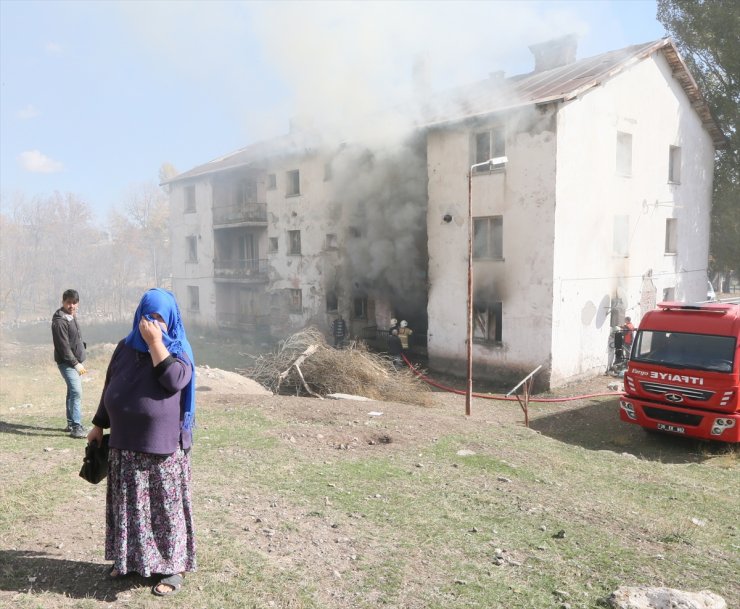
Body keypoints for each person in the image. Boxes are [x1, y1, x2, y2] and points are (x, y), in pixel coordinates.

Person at [87, 288, 196, 596]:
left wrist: (155, 344)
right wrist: (98, 424)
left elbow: (175, 380)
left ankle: (172, 569)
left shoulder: (177, 348)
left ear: (170, 319)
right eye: (148, 316)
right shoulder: (123, 347)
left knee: (164, 511)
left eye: (160, 316)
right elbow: (111, 384)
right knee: (129, 508)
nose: (152, 322)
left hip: (162, 449)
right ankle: (132, 561)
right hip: (124, 444)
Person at [51, 289, 87, 438]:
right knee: (76, 392)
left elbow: (73, 339)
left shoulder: (71, 316)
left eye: (74, 302)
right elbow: (63, 347)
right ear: (63, 302)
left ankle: (71, 424)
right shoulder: (60, 321)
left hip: (75, 361)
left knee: (71, 392)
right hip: (67, 363)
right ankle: (76, 427)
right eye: (68, 302)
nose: (71, 305)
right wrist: (75, 363)